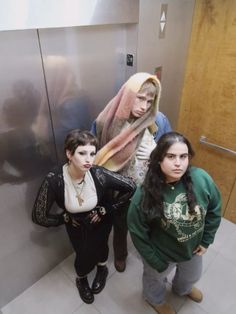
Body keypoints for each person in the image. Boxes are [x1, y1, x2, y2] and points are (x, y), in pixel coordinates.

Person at [32, 129, 136, 304]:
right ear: (69, 154)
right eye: (82, 153)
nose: (89, 160)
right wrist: (63, 218)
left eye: (92, 154)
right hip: (78, 227)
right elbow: (39, 216)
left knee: (102, 247)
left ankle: (102, 269)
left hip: (101, 221)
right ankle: (81, 278)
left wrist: (107, 209)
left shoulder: (99, 174)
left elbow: (131, 186)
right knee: (83, 255)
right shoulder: (55, 179)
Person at [127, 132, 222, 314]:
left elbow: (214, 210)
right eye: (171, 156)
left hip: (193, 250)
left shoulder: (201, 179)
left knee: (192, 276)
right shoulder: (144, 194)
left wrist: (206, 240)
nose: (178, 163)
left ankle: (182, 289)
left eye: (183, 156)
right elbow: (137, 232)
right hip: (161, 254)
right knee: (154, 280)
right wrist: (155, 261)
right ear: (158, 159)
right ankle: (155, 300)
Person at [91, 72, 165, 272]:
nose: (144, 106)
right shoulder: (105, 120)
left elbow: (171, 149)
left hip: (147, 185)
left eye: (150, 101)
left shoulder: (157, 119)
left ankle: (153, 255)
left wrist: (155, 151)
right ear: (127, 95)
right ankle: (121, 255)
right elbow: (93, 154)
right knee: (120, 224)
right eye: (140, 98)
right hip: (118, 188)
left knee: (150, 221)